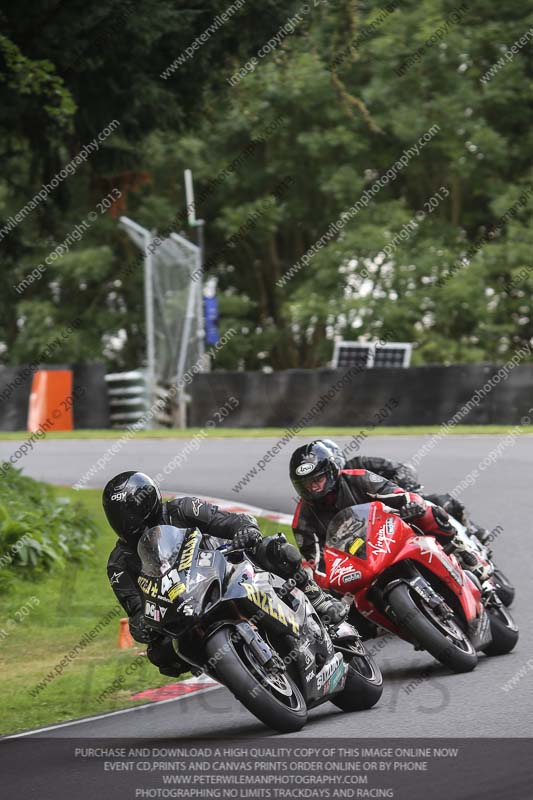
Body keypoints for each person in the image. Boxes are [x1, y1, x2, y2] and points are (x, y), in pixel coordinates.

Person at [104, 471, 347, 678]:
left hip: (227, 567)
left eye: (131, 513)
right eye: (119, 517)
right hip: (183, 607)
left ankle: (318, 598)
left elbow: (227, 520)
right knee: (160, 654)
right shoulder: (119, 564)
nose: (127, 522)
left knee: (274, 548)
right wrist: (142, 626)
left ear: (148, 503)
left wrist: (245, 530)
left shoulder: (182, 509)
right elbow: (136, 610)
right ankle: (227, 668)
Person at [289, 441, 490, 582]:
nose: (313, 487)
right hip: (357, 557)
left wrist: (407, 493)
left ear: (332, 467)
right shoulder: (302, 520)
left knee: (435, 505)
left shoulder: (359, 471)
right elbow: (316, 561)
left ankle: (464, 549)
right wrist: (327, 578)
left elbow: (400, 471)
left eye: (318, 479)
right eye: (307, 483)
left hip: (392, 520)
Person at [320, 438, 490, 544]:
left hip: (402, 505)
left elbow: (403, 469)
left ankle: (470, 530)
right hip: (373, 530)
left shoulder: (361, 464)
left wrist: (399, 489)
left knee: (438, 503)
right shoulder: (326, 498)